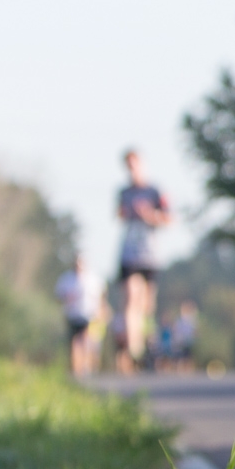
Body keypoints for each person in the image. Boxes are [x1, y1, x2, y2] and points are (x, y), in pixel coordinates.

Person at [115, 149, 170, 367]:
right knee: (130, 298)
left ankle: (148, 344)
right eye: (128, 166)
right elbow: (119, 215)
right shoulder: (123, 192)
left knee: (147, 305)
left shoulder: (155, 191)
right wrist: (127, 213)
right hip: (129, 252)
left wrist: (148, 214)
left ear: (142, 164)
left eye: (134, 164)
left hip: (150, 254)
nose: (132, 169)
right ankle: (134, 348)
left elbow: (168, 219)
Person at [54, 253, 104, 377]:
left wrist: (100, 311)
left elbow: (101, 296)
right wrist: (66, 299)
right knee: (74, 343)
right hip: (72, 315)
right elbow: (59, 296)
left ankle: (86, 367)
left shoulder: (93, 278)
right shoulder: (66, 278)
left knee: (86, 340)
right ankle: (77, 370)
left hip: (88, 315)